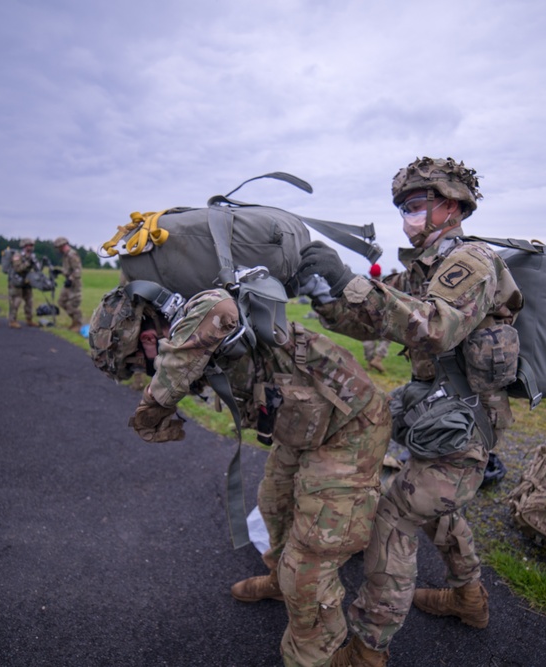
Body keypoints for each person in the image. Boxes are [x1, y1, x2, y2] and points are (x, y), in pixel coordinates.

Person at [295, 157, 523, 666]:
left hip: (467, 427)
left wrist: (352, 287)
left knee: (394, 517)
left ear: (452, 205)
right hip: (437, 415)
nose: (407, 218)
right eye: (403, 208)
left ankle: (368, 649)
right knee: (434, 503)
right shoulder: (423, 269)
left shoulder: (472, 263)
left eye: (417, 206)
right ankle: (469, 600)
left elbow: (435, 326)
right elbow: (374, 317)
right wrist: (327, 292)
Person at [128, 283, 391, 667]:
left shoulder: (204, 314)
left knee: (310, 562)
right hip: (305, 422)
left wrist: (149, 412)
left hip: (352, 426)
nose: (141, 371)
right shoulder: (193, 337)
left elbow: (200, 335)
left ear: (150, 337)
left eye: (136, 362)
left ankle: (319, 654)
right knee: (274, 502)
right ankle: (277, 580)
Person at [360, 264, 390, 373]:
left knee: (368, 338)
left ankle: (369, 363)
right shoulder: (385, 285)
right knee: (386, 338)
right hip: (382, 316)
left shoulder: (364, 284)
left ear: (370, 273)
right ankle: (377, 359)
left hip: (367, 315)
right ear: (380, 273)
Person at [7, 238, 40, 329]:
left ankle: (29, 319)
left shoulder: (32, 256)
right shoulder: (17, 256)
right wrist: (28, 263)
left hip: (27, 281)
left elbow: (38, 269)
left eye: (32, 245)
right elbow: (18, 269)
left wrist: (37, 263)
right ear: (24, 246)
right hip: (16, 281)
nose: (31, 247)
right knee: (16, 301)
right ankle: (12, 321)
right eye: (29, 245)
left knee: (29, 301)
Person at [54, 236, 84, 332]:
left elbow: (77, 270)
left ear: (62, 246)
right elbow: (68, 270)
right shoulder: (66, 256)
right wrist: (59, 271)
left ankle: (78, 324)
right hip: (68, 283)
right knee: (61, 302)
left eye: (58, 247)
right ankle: (74, 321)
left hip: (74, 284)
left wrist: (70, 279)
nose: (58, 250)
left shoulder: (72, 255)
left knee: (72, 305)